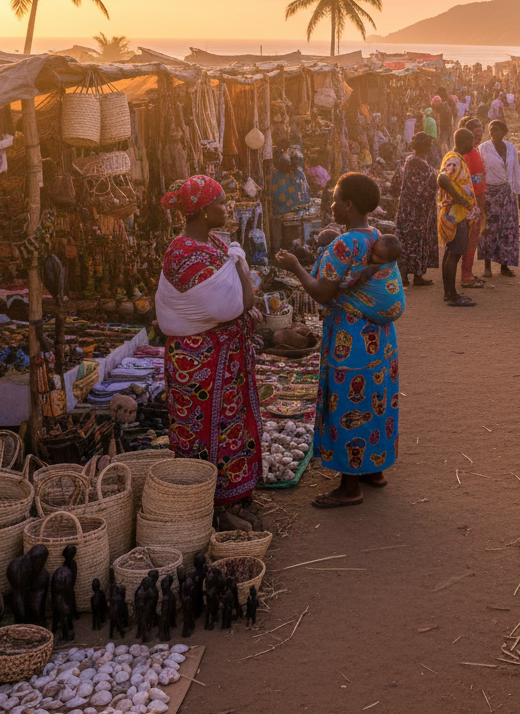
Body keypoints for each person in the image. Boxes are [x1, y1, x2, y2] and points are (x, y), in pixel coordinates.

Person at [274, 173, 403, 507]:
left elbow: (322, 292)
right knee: (375, 400)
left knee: (349, 405)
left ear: (348, 205)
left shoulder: (345, 245)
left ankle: (350, 487)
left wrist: (295, 267)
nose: (330, 204)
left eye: (335, 199)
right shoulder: (376, 236)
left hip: (351, 337)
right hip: (380, 338)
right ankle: (374, 469)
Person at [155, 175, 261, 526]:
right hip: (199, 362)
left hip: (221, 359)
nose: (227, 208)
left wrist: (236, 270)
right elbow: (241, 301)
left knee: (230, 426)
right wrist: (239, 264)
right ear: (202, 211)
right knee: (202, 432)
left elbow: (237, 300)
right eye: (221, 202)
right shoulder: (185, 253)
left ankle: (234, 497)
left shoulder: (210, 243)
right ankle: (212, 508)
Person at [437, 128, 481, 307]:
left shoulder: (455, 158)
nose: (473, 145)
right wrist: (460, 200)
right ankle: (452, 296)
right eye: (471, 141)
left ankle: (449, 293)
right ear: (463, 141)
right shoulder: (454, 159)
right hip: (456, 214)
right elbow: (442, 178)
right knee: (454, 254)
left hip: (455, 213)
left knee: (451, 252)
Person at [478, 119, 520, 278]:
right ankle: (487, 266)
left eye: (497, 129)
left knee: (508, 229)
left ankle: (505, 265)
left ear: (504, 132)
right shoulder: (483, 149)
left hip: (507, 192)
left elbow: (516, 171)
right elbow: (479, 173)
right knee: (489, 230)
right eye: (491, 129)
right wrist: (479, 195)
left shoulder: (511, 148)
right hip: (489, 194)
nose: (493, 132)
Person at [394, 132, 439, 286]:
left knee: (410, 240)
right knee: (416, 240)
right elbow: (426, 185)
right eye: (429, 145)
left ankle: (411, 275)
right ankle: (413, 275)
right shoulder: (417, 162)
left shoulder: (411, 160)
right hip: (417, 210)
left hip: (410, 209)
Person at [457, 116, 487, 288]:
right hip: (472, 202)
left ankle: (467, 272)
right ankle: (466, 275)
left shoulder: (471, 152)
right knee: (470, 238)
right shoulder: (469, 154)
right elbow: (472, 180)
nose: (479, 137)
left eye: (480, 133)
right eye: (475, 135)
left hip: (473, 201)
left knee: (469, 238)